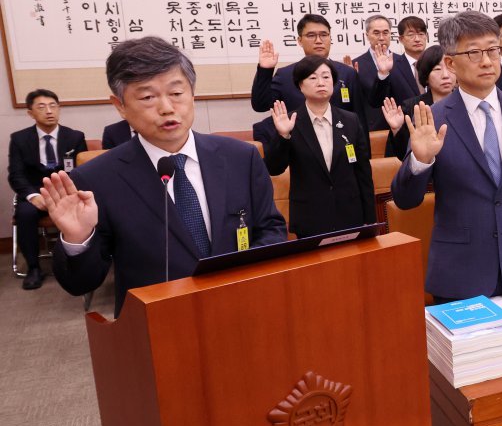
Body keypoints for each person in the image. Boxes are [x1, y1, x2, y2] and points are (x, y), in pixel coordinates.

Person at [42, 37, 286, 315]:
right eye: (147, 97)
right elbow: (80, 283)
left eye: (176, 93)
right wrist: (77, 238)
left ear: (192, 94)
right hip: (157, 326)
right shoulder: (96, 179)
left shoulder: (241, 157)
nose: (167, 107)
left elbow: (271, 229)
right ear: (120, 105)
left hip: (242, 310)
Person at [392, 10, 502, 301]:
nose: (486, 61)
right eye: (474, 52)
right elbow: (406, 200)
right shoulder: (433, 119)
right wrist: (421, 161)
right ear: (451, 63)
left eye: (492, 50)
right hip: (460, 271)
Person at [257, 55, 375, 238]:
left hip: (351, 214)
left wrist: (370, 217)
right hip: (311, 217)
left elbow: (363, 172)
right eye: (313, 78)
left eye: (326, 77)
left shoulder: (351, 120)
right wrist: (284, 136)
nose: (321, 82)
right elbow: (274, 168)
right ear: (300, 85)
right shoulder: (289, 121)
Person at [8, 89, 88, 289]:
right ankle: (34, 267)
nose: (49, 111)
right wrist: (33, 196)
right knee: (25, 213)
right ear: (30, 113)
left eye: (53, 106)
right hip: (36, 193)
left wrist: (66, 193)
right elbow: (16, 174)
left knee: (85, 208)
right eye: (41, 107)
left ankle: (78, 262)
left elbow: (82, 170)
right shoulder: (19, 139)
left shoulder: (75, 137)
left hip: (66, 190)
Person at [250, 14, 369, 127]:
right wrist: (265, 70)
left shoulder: (347, 73)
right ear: (300, 40)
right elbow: (260, 106)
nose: (318, 40)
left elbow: (360, 118)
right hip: (300, 143)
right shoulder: (285, 75)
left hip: (342, 143)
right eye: (311, 35)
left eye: (324, 35)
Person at [380, 45, 457, 158]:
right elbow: (402, 156)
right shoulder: (412, 107)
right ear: (426, 76)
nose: (445, 75)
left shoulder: (466, 102)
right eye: (437, 69)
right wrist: (397, 130)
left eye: (450, 67)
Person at [352, 14, 406, 131]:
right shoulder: (356, 64)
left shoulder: (402, 61)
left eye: (385, 33)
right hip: (371, 128)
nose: (381, 37)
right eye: (376, 33)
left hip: (402, 125)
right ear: (367, 35)